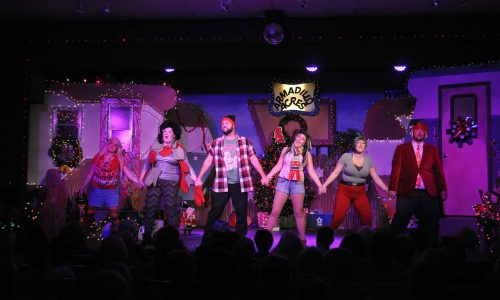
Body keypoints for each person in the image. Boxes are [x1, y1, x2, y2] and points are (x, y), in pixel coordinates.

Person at [195, 114, 269, 244]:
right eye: (222, 124)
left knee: (241, 214)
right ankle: (206, 242)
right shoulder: (217, 142)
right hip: (221, 183)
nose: (223, 125)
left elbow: (253, 159)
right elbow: (209, 160)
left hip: (240, 183)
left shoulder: (245, 142)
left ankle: (240, 243)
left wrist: (263, 176)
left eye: (226, 123)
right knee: (214, 213)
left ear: (233, 125)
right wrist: (199, 177)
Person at [389, 120, 447, 245]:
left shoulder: (431, 149)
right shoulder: (402, 149)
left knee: (431, 224)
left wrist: (442, 188)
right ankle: (392, 247)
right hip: (407, 191)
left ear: (425, 133)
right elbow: (396, 169)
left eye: (422, 130)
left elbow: (438, 171)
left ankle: (430, 252)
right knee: (399, 221)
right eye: (417, 130)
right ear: (412, 132)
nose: (419, 132)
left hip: (428, 193)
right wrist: (392, 188)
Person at [264, 129, 325, 243]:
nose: (299, 139)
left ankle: (302, 240)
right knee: (275, 211)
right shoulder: (286, 150)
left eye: (302, 139)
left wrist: (320, 185)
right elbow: (278, 166)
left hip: (297, 183)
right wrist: (269, 176)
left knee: (299, 212)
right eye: (298, 137)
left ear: (305, 142)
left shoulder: (306, 154)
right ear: (295, 137)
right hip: (283, 181)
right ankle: (265, 238)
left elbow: (311, 171)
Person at [139, 120, 197, 240]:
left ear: (174, 135)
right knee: (150, 207)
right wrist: (140, 180)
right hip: (155, 180)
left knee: (170, 209)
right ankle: (147, 238)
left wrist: (196, 179)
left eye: (169, 131)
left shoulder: (179, 149)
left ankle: (172, 238)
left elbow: (187, 165)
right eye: (164, 131)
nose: (166, 133)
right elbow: (147, 165)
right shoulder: (155, 147)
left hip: (171, 182)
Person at [322, 136, 391, 229]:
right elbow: (335, 173)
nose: (360, 145)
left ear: (365, 146)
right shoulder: (346, 157)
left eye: (363, 143)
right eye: (358, 142)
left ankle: (366, 241)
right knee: (337, 218)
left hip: (360, 192)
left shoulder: (369, 161)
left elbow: (376, 178)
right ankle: (325, 240)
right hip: (344, 191)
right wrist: (324, 185)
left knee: (367, 219)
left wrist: (388, 190)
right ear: (354, 145)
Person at [80, 137, 143, 231]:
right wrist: (83, 185)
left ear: (117, 148)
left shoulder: (119, 159)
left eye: (115, 145)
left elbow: (128, 173)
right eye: (111, 143)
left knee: (114, 214)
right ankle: (84, 234)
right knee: (90, 212)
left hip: (111, 191)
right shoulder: (98, 157)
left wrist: (138, 181)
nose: (112, 146)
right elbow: (91, 173)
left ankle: (115, 235)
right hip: (97, 189)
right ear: (108, 143)